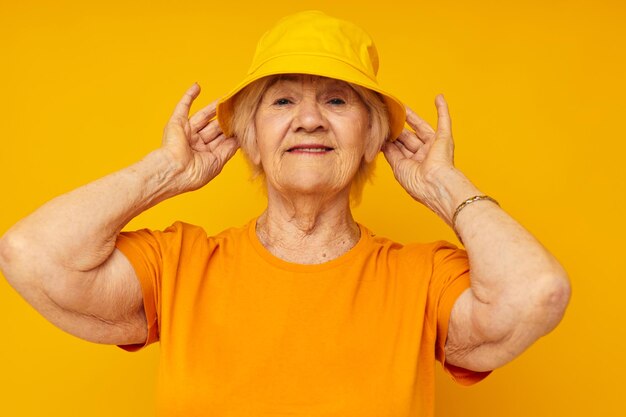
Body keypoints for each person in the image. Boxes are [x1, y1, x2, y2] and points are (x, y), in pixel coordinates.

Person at [0, 10, 570, 417]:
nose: (309, 119)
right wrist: (163, 174)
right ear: (248, 135)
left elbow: (536, 293)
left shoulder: (422, 279)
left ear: (374, 136)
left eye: (338, 100)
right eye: (282, 100)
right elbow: (30, 254)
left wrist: (447, 188)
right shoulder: (179, 265)